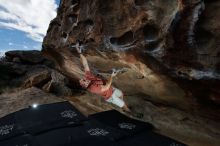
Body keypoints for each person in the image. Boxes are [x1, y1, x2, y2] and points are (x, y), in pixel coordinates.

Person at [75, 42, 131, 112]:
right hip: (110, 96)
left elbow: (85, 64)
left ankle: (122, 105)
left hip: (111, 89)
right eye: (84, 81)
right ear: (85, 85)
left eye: (83, 79)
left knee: (121, 93)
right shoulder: (93, 88)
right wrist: (112, 76)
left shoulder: (88, 78)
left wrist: (79, 53)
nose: (85, 80)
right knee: (123, 104)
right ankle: (129, 112)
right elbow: (106, 87)